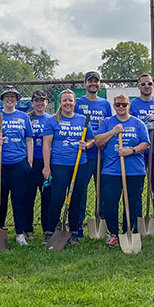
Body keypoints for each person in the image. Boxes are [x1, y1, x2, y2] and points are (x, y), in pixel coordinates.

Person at [94, 95, 150, 247]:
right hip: (111, 170)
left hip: (134, 171)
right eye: (118, 104)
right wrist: (113, 132)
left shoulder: (138, 123)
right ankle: (113, 233)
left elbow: (146, 144)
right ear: (114, 106)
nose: (121, 107)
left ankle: (127, 231)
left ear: (128, 105)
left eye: (124, 104)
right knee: (110, 202)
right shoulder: (107, 122)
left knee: (132, 202)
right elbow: (98, 142)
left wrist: (131, 150)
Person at [41, 89, 94, 245]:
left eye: (70, 100)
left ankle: (73, 231)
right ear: (60, 103)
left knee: (76, 198)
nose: (68, 103)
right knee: (57, 198)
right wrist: (46, 166)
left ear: (74, 102)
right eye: (65, 100)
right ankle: (50, 232)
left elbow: (92, 140)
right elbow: (46, 144)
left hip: (79, 165)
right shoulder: (52, 121)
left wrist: (86, 145)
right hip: (59, 165)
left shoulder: (82, 120)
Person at [0, 86, 34, 246]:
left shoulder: (23, 117)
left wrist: (29, 160)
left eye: (13, 97)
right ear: (2, 99)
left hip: (18, 163)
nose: (10, 99)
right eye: (7, 97)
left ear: (17, 99)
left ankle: (20, 234)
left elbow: (29, 139)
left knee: (19, 199)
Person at [76, 71, 112, 239]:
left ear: (99, 84)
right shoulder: (78, 103)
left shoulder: (105, 104)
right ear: (85, 84)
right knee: (81, 191)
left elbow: (110, 125)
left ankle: (103, 223)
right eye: (90, 81)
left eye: (96, 81)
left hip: (102, 153)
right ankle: (78, 226)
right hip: (84, 154)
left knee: (103, 190)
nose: (93, 84)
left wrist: (103, 140)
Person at [129, 73, 154, 232]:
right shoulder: (132, 104)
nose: (146, 87)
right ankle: (137, 223)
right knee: (137, 189)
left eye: (149, 84)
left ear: (153, 86)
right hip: (138, 152)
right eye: (143, 84)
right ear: (138, 86)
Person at [26, 90, 53, 242]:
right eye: (36, 101)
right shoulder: (27, 118)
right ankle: (28, 229)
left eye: (42, 100)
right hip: (31, 161)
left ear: (46, 102)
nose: (39, 103)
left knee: (47, 197)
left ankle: (47, 229)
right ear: (32, 103)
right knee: (28, 197)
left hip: (46, 162)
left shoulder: (51, 119)